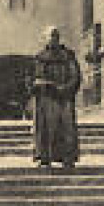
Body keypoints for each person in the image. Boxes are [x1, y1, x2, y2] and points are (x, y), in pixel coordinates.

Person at [30, 26, 81, 169]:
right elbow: (34, 77)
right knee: (45, 128)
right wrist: (39, 85)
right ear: (45, 38)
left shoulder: (68, 56)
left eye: (55, 36)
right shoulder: (40, 57)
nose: (53, 39)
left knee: (66, 128)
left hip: (64, 98)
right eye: (50, 36)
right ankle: (44, 157)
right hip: (46, 99)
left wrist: (65, 89)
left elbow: (75, 76)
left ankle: (67, 157)